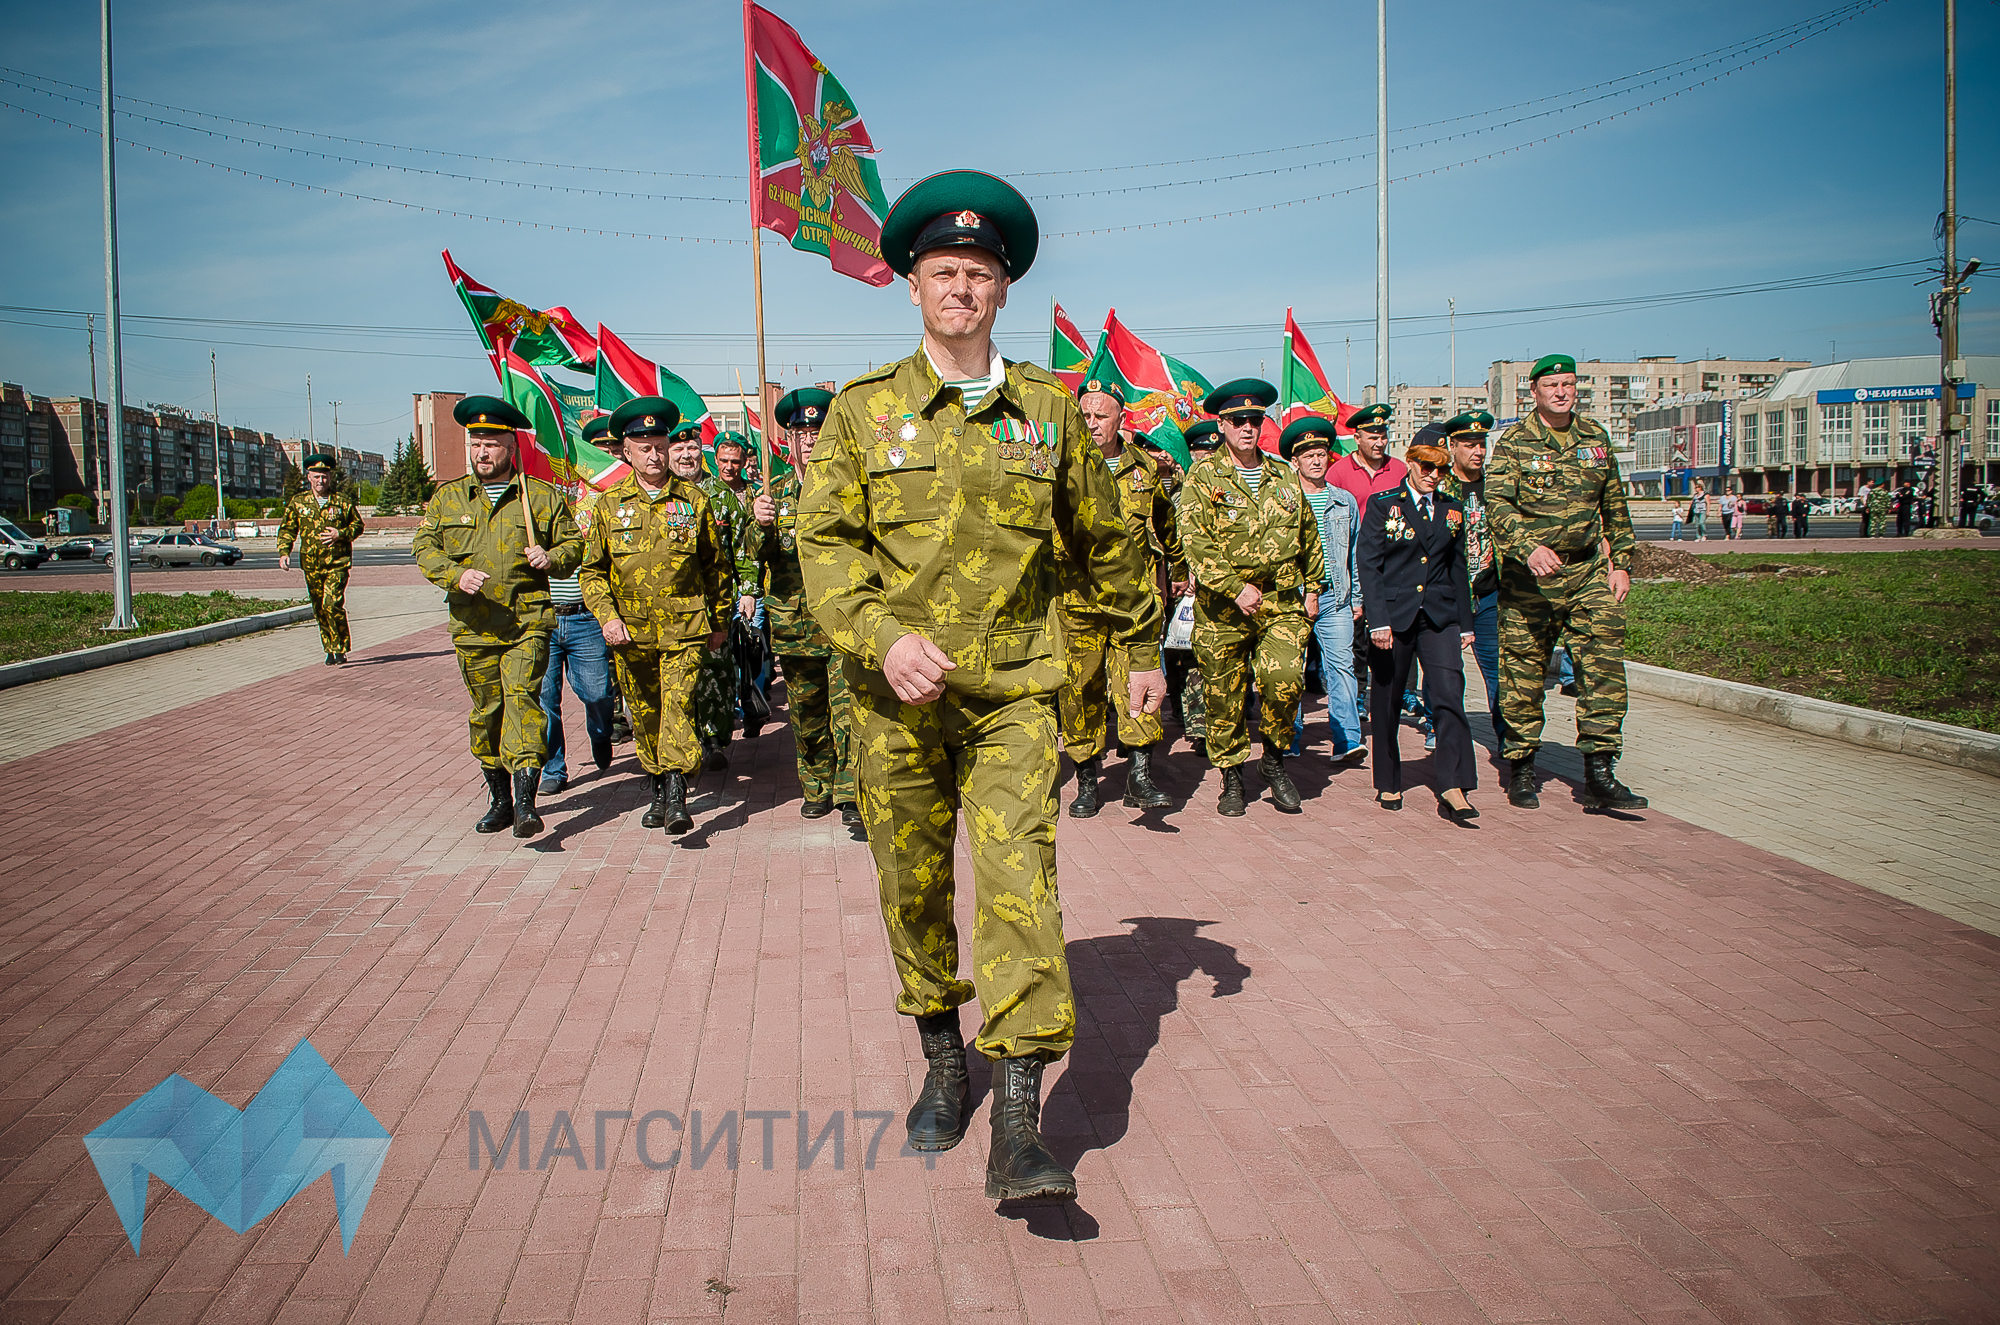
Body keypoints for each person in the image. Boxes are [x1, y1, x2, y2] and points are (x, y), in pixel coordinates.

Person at [796, 171, 1164, 1203]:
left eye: (979, 274)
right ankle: (942, 1056)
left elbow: (1106, 542)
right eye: (943, 272)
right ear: (911, 287)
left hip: (1013, 692)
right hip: (895, 697)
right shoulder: (863, 412)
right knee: (911, 890)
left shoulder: (1047, 410)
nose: (961, 288)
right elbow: (820, 543)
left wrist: (1141, 652)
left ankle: (1016, 1121)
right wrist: (879, 636)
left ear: (1002, 292)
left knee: (1018, 885)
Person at [412, 396, 585, 838]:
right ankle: (501, 800)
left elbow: (573, 547)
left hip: (527, 624)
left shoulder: (540, 498)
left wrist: (551, 558)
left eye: (491, 443)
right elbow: (424, 547)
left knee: (524, 703)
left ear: (511, 446)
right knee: (487, 712)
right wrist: (454, 574)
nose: (481, 453)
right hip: (474, 627)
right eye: (475, 444)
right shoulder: (448, 498)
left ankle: (527, 803)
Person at [1486, 354, 1647, 812]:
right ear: (1533, 392)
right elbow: (1498, 504)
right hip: (1530, 579)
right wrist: (1527, 547)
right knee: (1523, 674)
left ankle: (1599, 772)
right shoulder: (1516, 442)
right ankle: (1520, 767)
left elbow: (1615, 504)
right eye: (1552, 385)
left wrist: (1622, 563)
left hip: (1587, 571)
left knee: (1604, 667)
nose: (1562, 392)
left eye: (1569, 384)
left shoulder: (1595, 438)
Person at [579, 399, 730, 835]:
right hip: (630, 632)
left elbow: (716, 567)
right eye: (643, 447)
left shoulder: (694, 501)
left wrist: (719, 623)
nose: (654, 455)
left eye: (660, 446)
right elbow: (592, 571)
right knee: (646, 713)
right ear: (626, 451)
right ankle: (659, 786)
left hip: (684, 628)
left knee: (678, 707)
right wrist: (607, 617)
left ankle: (679, 794)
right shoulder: (609, 506)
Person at [1180, 378, 1325, 816]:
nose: (1248, 427)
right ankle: (1232, 777)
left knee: (1284, 683)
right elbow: (1194, 542)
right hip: (1223, 609)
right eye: (1239, 420)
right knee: (1224, 696)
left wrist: (1315, 587)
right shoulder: (1203, 477)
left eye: (1255, 420)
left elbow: (1308, 534)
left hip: (1280, 603)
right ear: (1222, 425)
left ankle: (1275, 761)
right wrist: (1233, 587)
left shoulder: (1284, 474)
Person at [1060, 380, 1185, 816]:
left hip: (1133, 603)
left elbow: (1166, 526)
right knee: (1079, 690)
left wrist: (1181, 572)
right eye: (1086, 415)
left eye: (1102, 415)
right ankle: (1088, 780)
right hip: (1076, 600)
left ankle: (1139, 774)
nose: (1092, 424)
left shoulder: (1145, 470)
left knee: (1138, 680)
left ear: (1120, 420)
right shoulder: (1062, 466)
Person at [749, 389, 859, 827]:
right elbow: (753, 554)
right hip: (794, 623)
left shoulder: (849, 482)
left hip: (844, 620)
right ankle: (817, 785)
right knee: (807, 711)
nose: (809, 440)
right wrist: (760, 525)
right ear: (787, 440)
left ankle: (851, 791)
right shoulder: (770, 493)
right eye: (800, 433)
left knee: (848, 709)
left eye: (816, 431)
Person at [1358, 440, 1477, 818]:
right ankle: (1389, 781)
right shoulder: (1383, 504)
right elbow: (1369, 565)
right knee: (1388, 700)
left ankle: (1454, 784)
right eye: (1426, 467)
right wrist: (1378, 620)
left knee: (1448, 693)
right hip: (1393, 617)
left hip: (1439, 616)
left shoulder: (1451, 510)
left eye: (1440, 469)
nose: (1433, 475)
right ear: (1410, 463)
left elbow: (1458, 569)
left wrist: (1465, 624)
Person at [1284, 416, 1365, 763]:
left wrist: (1357, 597)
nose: (1316, 460)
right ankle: (1289, 736)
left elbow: (1354, 553)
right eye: (1308, 455)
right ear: (1295, 461)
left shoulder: (1344, 501)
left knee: (1341, 667)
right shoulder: (1284, 499)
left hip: (1336, 598)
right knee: (1290, 668)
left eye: (1321, 453)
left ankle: (1346, 739)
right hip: (1293, 597)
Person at [537, 447, 616, 797]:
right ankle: (554, 767)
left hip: (585, 615)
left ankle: (601, 731)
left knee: (597, 692)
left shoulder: (597, 496)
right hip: (544, 617)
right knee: (545, 698)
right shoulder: (533, 499)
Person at [1435, 411, 1506, 747]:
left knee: (1498, 673)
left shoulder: (1499, 486)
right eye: (1469, 445)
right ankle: (1442, 730)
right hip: (1447, 597)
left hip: (1490, 594)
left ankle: (1510, 742)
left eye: (1482, 444)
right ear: (1453, 446)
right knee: (1447, 672)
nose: (1478, 451)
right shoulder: (1439, 488)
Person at [693, 433, 761, 768]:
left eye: (692, 448)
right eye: (680, 450)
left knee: (718, 673)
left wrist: (747, 590)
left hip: (716, 601)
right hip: (671, 606)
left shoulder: (722, 499)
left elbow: (741, 548)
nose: (687, 456)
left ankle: (714, 741)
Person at [276, 452, 365, 665]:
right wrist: (283, 552)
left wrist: (340, 534)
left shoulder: (341, 502)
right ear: (308, 477)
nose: (320, 480)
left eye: (324, 476)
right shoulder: (299, 502)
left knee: (332, 603)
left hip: (337, 563)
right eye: (316, 476)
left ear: (330, 477)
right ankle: (329, 648)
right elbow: (288, 528)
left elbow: (358, 525)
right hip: (312, 565)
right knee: (319, 608)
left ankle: (340, 648)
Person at [1167, 419, 1222, 746]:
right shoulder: (1181, 490)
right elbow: (1175, 538)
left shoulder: (1233, 488)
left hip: (1226, 586)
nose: (1207, 459)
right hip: (1189, 587)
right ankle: (1199, 725)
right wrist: (1182, 574)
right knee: (1188, 656)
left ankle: (1222, 721)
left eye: (1213, 453)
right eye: (1202, 453)